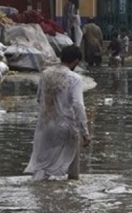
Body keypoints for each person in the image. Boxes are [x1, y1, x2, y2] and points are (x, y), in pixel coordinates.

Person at [24, 45, 91, 181]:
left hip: (44, 127)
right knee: (73, 173)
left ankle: (40, 196)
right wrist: (85, 132)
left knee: (42, 168)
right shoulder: (74, 78)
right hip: (65, 127)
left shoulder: (45, 74)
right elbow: (78, 105)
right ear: (76, 61)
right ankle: (70, 195)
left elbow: (38, 98)